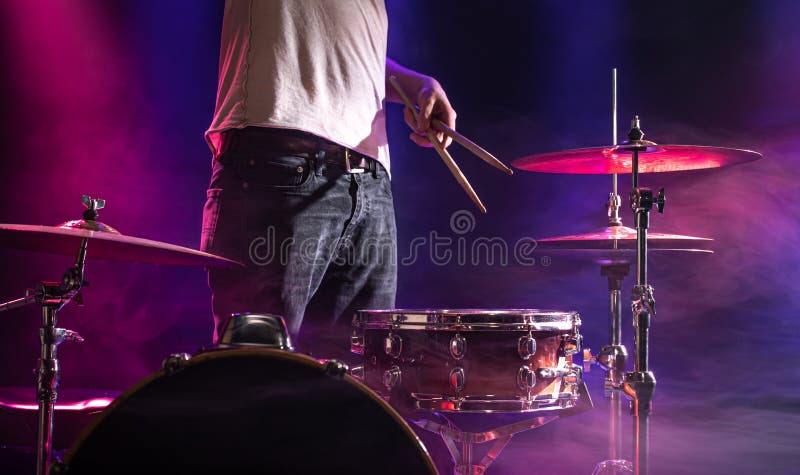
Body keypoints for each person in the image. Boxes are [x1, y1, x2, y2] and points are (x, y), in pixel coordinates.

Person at [200, 0, 456, 358]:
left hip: (369, 177)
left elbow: (342, 49)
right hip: (280, 153)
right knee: (257, 373)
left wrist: (413, 84)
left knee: (355, 384)